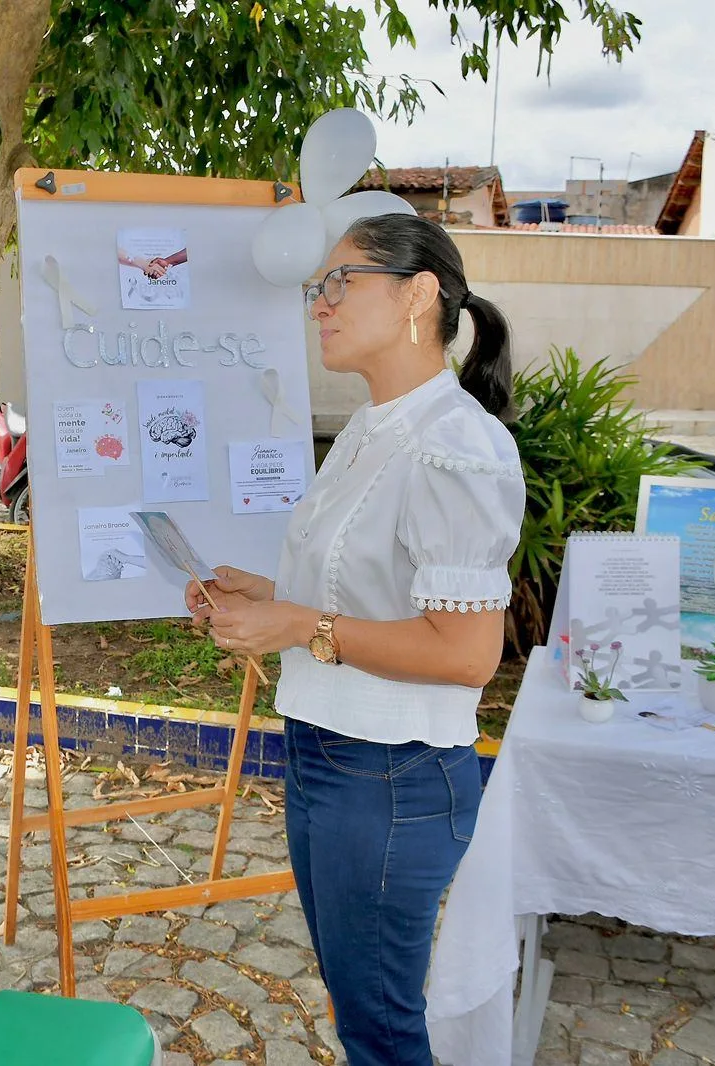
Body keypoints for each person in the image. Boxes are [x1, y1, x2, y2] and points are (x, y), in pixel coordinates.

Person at [186, 213, 525, 1066]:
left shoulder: (456, 445)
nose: (319, 305)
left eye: (340, 283)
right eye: (317, 288)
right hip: (330, 758)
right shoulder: (376, 429)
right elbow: (363, 595)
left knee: (379, 1028)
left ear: (418, 296)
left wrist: (300, 625)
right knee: (360, 1008)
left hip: (391, 777)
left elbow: (465, 655)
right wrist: (265, 600)